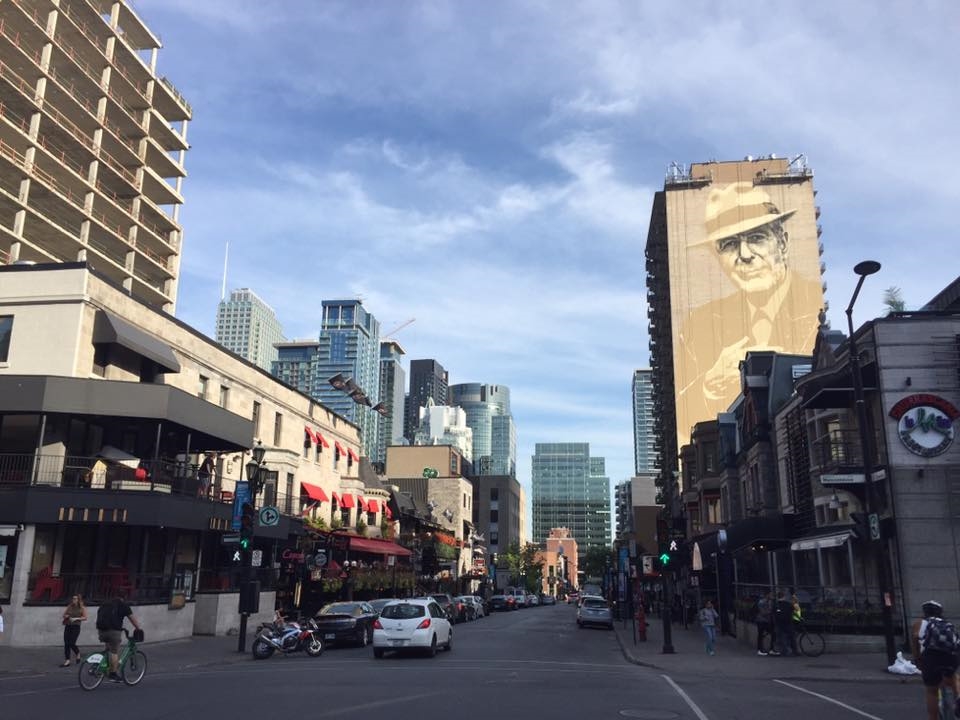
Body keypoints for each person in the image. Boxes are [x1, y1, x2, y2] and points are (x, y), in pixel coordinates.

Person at [676, 181, 823, 447]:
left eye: (756, 237)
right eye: (729, 244)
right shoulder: (699, 323)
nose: (744, 254)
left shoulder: (813, 306)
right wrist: (710, 385)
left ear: (783, 242)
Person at [911, 600, 960, 720]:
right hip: (951, 657)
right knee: (953, 676)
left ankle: (933, 718)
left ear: (925, 612)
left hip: (931, 658)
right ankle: (958, 696)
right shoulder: (947, 624)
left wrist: (917, 659)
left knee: (932, 690)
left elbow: (915, 639)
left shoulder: (920, 623)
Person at [95, 593, 142, 682]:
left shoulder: (106, 604)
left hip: (101, 630)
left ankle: (105, 666)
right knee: (114, 651)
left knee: (108, 648)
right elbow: (132, 619)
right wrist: (138, 628)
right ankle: (113, 674)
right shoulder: (123, 605)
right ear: (124, 598)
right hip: (114, 631)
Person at [61, 594, 87, 666]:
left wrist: (76, 618)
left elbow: (85, 617)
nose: (73, 600)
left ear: (78, 600)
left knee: (72, 643)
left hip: (76, 626)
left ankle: (77, 653)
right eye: (73, 599)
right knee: (66, 643)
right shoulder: (70, 606)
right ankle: (67, 660)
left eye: (75, 599)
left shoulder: (82, 608)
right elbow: (64, 615)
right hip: (68, 625)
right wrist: (66, 616)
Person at [773, 589, 794, 656]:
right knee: (788, 636)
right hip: (788, 622)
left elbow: (773, 613)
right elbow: (793, 611)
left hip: (779, 623)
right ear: (784, 596)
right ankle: (789, 650)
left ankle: (781, 651)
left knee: (779, 637)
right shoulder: (788, 604)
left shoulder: (776, 604)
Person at [755, 589, 773, 656]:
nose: (771, 596)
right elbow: (763, 612)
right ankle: (760, 649)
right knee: (760, 635)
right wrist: (771, 611)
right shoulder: (761, 602)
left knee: (772, 633)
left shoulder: (769, 601)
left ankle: (770, 649)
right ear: (767, 595)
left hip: (766, 621)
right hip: (761, 620)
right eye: (770, 594)